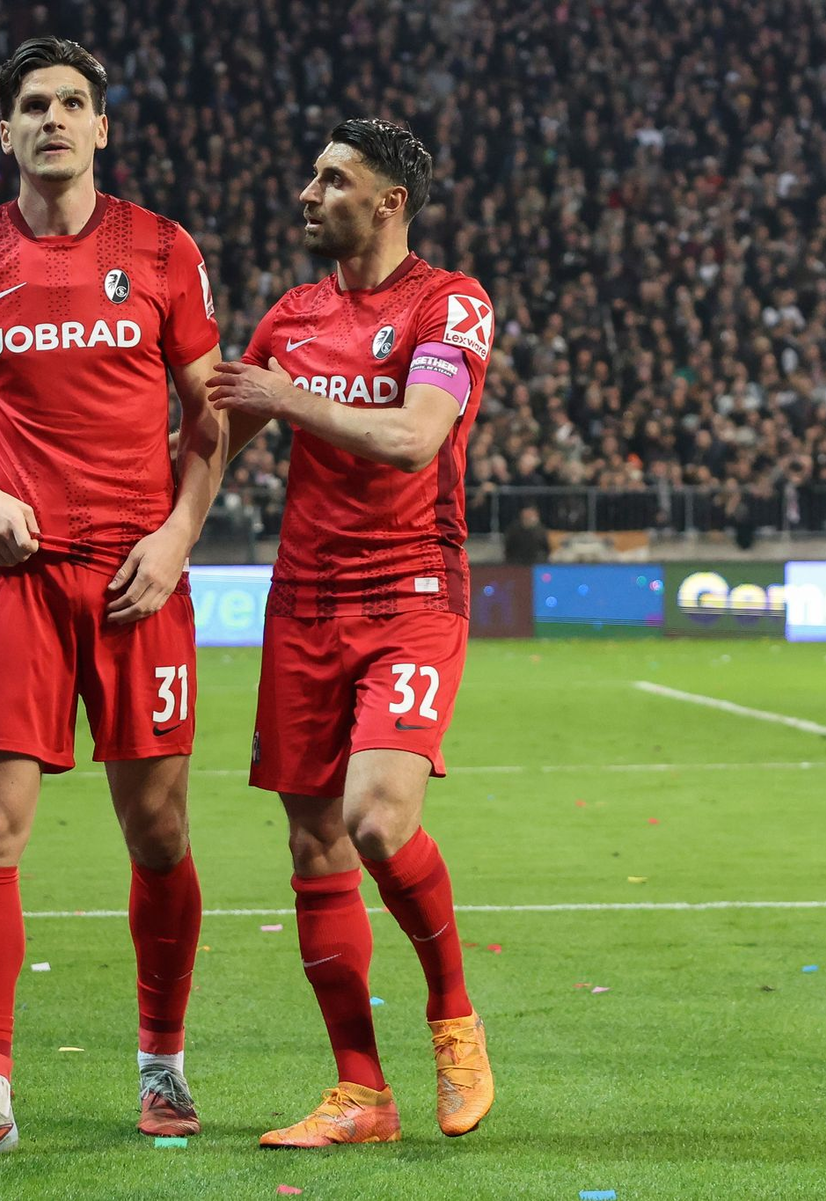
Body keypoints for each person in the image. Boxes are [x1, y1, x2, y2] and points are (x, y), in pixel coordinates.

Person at [207, 118, 494, 1148]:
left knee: (377, 816)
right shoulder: (290, 317)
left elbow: (418, 436)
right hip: (304, 604)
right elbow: (213, 440)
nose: (307, 192)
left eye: (333, 179)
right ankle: (361, 1093)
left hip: (413, 590)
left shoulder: (449, 301)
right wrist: (162, 536)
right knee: (313, 839)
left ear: (390, 202)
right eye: (311, 175)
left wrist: (288, 397)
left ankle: (453, 1015)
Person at [0, 38, 225, 1144]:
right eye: (34, 103)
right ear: (6, 132)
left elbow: (209, 416)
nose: (53, 117)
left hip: (140, 579)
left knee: (159, 834)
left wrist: (180, 536)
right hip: (18, 579)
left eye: (73, 103)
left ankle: (163, 1061)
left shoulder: (163, 250)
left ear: (102, 128)